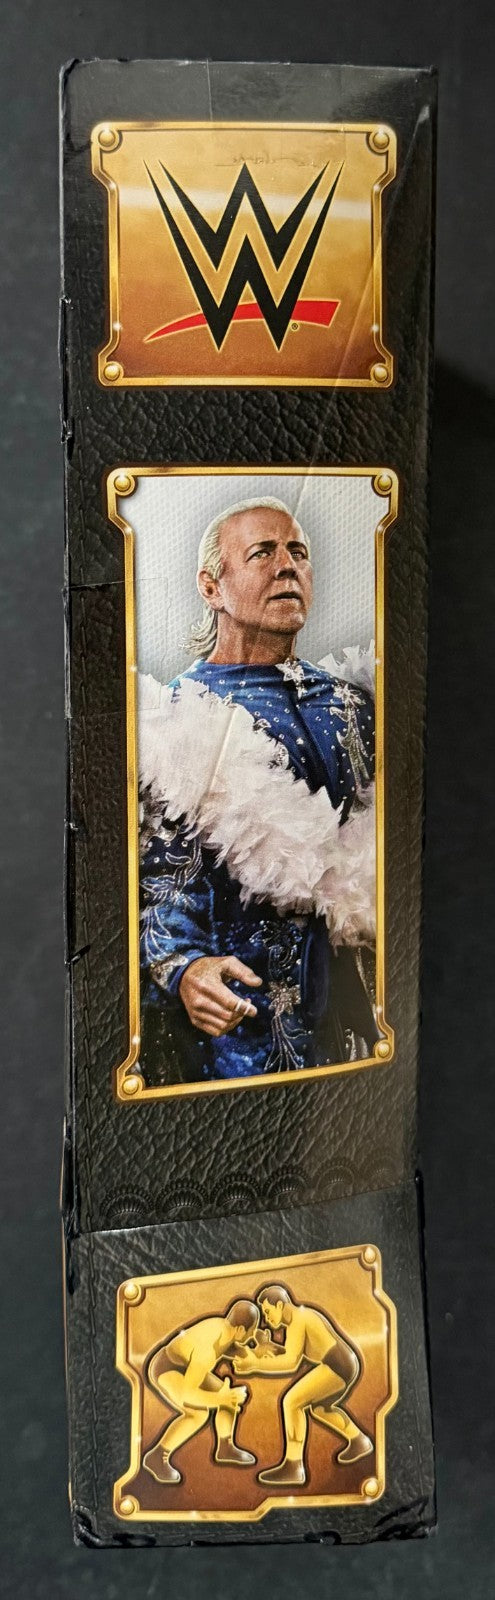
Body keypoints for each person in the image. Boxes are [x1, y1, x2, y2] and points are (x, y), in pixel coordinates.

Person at [139, 497, 379, 1084]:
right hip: (242, 1026)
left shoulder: (355, 705)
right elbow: (157, 877)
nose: (287, 565)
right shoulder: (174, 716)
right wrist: (183, 968)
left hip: (360, 1017)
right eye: (262, 553)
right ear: (212, 587)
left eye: (298, 552)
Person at [232, 1283, 372, 1486]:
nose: (267, 1319)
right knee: (320, 1408)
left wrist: (255, 1364)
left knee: (292, 1402)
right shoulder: (297, 1320)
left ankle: (294, 1466)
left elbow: (291, 1362)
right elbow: (290, 1352)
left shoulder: (299, 1318)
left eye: (268, 1312)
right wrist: (266, 1347)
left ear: (280, 1305)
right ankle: (359, 1440)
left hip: (337, 1365)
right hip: (344, 1364)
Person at [142, 1299, 260, 1484]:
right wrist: (221, 1399)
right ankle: (157, 1456)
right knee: (198, 1413)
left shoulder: (225, 1329)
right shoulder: (207, 1351)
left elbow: (233, 1349)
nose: (252, 1337)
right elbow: (187, 1395)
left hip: (189, 1365)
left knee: (227, 1394)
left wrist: (261, 1351)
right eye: (251, 1332)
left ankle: (225, 1447)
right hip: (167, 1367)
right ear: (240, 1329)